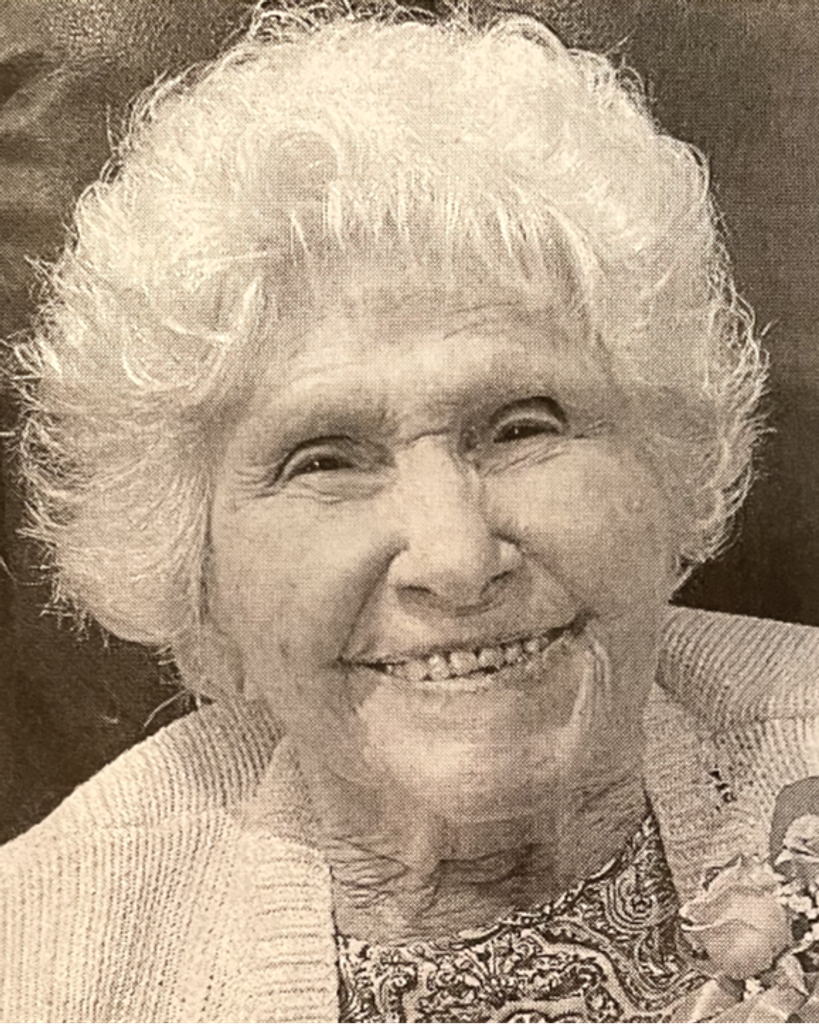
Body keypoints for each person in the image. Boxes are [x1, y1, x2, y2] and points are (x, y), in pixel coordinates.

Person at [2, 6, 819, 1022]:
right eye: (324, 459)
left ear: (667, 463)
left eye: (520, 426)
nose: (457, 557)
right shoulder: (46, 961)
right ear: (195, 568)